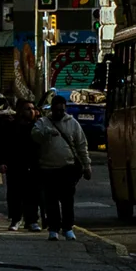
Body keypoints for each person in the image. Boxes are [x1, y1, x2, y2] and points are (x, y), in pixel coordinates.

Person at [31, 89, 91, 237]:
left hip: (67, 167)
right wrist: (46, 133)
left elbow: (81, 146)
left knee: (67, 199)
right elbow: (35, 136)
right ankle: (53, 228)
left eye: (61, 110)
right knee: (51, 200)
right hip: (48, 168)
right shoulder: (43, 123)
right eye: (56, 110)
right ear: (52, 109)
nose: (59, 113)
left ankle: (68, 227)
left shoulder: (72, 124)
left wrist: (86, 165)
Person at [0, 87, 34, 232]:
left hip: (32, 164)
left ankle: (31, 220)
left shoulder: (38, 126)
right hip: (15, 164)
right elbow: (4, 145)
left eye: (32, 108)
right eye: (27, 109)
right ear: (20, 111)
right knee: (15, 193)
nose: (31, 111)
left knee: (32, 193)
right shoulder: (11, 126)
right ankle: (15, 219)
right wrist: (3, 161)